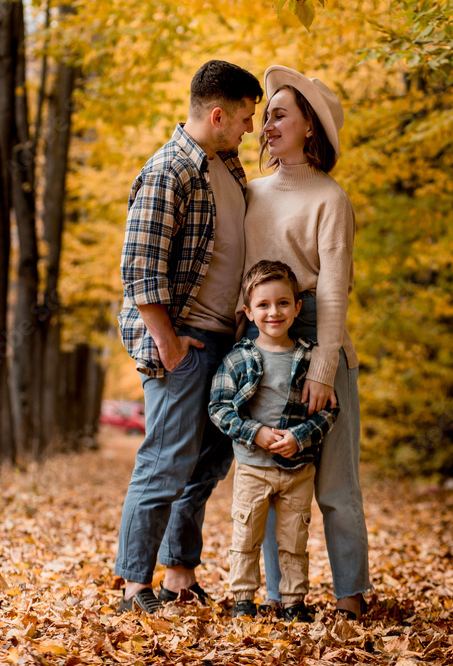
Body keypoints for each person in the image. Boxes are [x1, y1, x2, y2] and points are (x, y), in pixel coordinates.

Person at [114, 59, 263, 614]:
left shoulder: (226, 165)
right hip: (184, 341)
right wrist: (168, 343)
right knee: (166, 460)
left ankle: (179, 574)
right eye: (246, 117)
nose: (251, 127)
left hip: (225, 341)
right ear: (218, 114)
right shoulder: (169, 170)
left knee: (206, 462)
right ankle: (134, 586)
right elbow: (140, 267)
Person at [242, 65, 370, 620]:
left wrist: (322, 366)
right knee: (270, 472)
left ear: (309, 127)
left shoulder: (330, 199)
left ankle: (350, 596)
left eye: (278, 114)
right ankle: (279, 595)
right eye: (265, 115)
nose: (266, 124)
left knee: (335, 483)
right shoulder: (249, 193)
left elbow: (337, 290)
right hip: (261, 339)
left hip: (319, 332)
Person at [209, 260, 338, 621]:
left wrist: (299, 437)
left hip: (298, 469)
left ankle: (294, 602)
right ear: (249, 312)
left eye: (283, 303)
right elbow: (218, 407)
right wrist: (257, 433)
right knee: (245, 538)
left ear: (298, 307)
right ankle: (243, 600)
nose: (274, 312)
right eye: (263, 305)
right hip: (253, 468)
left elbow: (329, 411)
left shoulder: (310, 357)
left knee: (294, 542)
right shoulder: (238, 358)